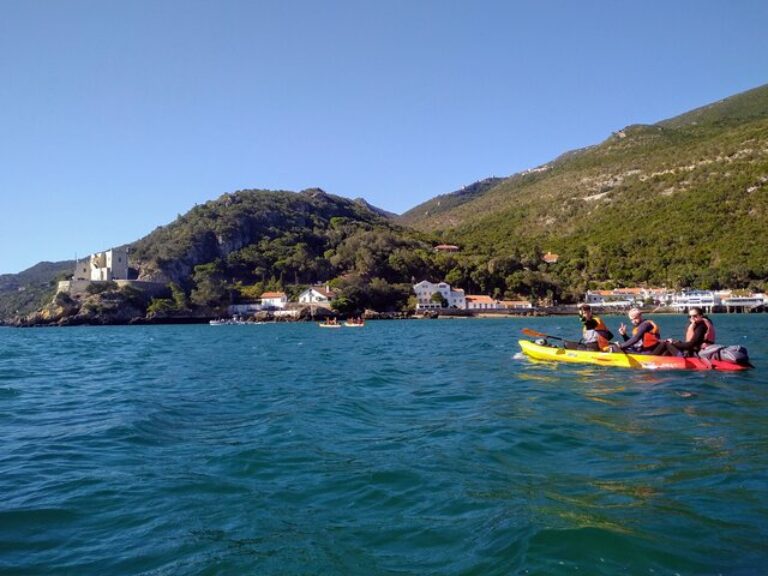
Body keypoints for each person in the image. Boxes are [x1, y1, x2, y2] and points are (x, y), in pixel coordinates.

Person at [651, 307, 716, 356]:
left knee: (665, 344)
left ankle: (649, 358)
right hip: (695, 349)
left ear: (701, 316)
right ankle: (660, 360)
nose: (692, 318)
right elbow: (693, 343)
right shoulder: (701, 324)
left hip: (696, 352)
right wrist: (676, 342)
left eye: (695, 316)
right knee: (668, 346)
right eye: (689, 316)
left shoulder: (701, 326)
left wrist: (673, 343)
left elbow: (691, 345)